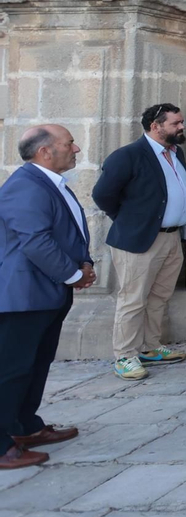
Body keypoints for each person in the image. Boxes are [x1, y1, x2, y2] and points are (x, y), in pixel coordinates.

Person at [0, 125, 93, 468]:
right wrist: (73, 274)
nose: (77, 148)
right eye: (69, 143)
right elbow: (36, 241)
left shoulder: (48, 182)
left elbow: (67, 231)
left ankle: (25, 425)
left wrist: (84, 263)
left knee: (36, 364)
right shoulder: (24, 186)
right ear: (44, 152)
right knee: (11, 369)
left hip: (46, 292)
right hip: (23, 295)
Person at [91, 103, 186, 381]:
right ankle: (125, 356)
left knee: (160, 295)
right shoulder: (128, 156)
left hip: (172, 237)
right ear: (156, 126)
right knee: (133, 299)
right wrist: (129, 220)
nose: (181, 127)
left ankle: (150, 347)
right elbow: (103, 195)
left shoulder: (176, 153)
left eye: (181, 122)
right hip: (139, 240)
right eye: (176, 123)